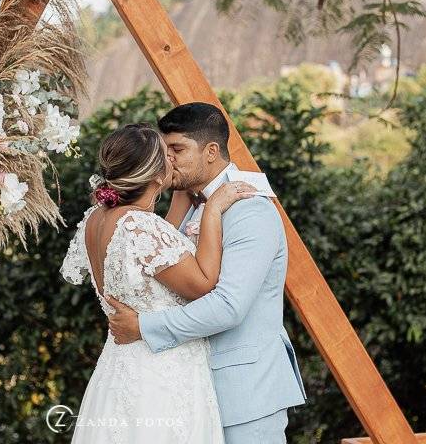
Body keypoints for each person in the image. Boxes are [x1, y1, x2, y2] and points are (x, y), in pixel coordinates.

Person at [106, 102, 307, 444]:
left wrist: (143, 326)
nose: (166, 160)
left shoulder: (251, 211)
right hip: (188, 394)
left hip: (246, 397)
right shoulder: (184, 204)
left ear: (212, 151)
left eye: (177, 150)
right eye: (164, 149)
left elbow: (229, 306)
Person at [60, 122, 255, 442]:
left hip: (120, 366)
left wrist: (178, 204)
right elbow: (204, 282)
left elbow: (149, 262)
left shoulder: (96, 218)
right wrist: (213, 210)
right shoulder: (141, 226)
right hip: (161, 373)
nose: (174, 160)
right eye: (167, 155)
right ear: (155, 175)